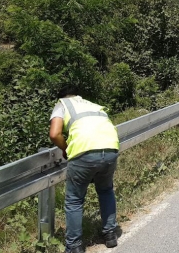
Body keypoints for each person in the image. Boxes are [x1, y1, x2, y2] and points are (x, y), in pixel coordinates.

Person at [49, 86, 121, 252]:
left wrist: (66, 148)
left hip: (84, 152)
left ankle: (74, 246)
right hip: (110, 149)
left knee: (74, 200)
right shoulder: (92, 104)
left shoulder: (62, 104)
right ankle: (110, 234)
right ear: (77, 95)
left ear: (61, 98)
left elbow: (54, 134)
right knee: (106, 191)